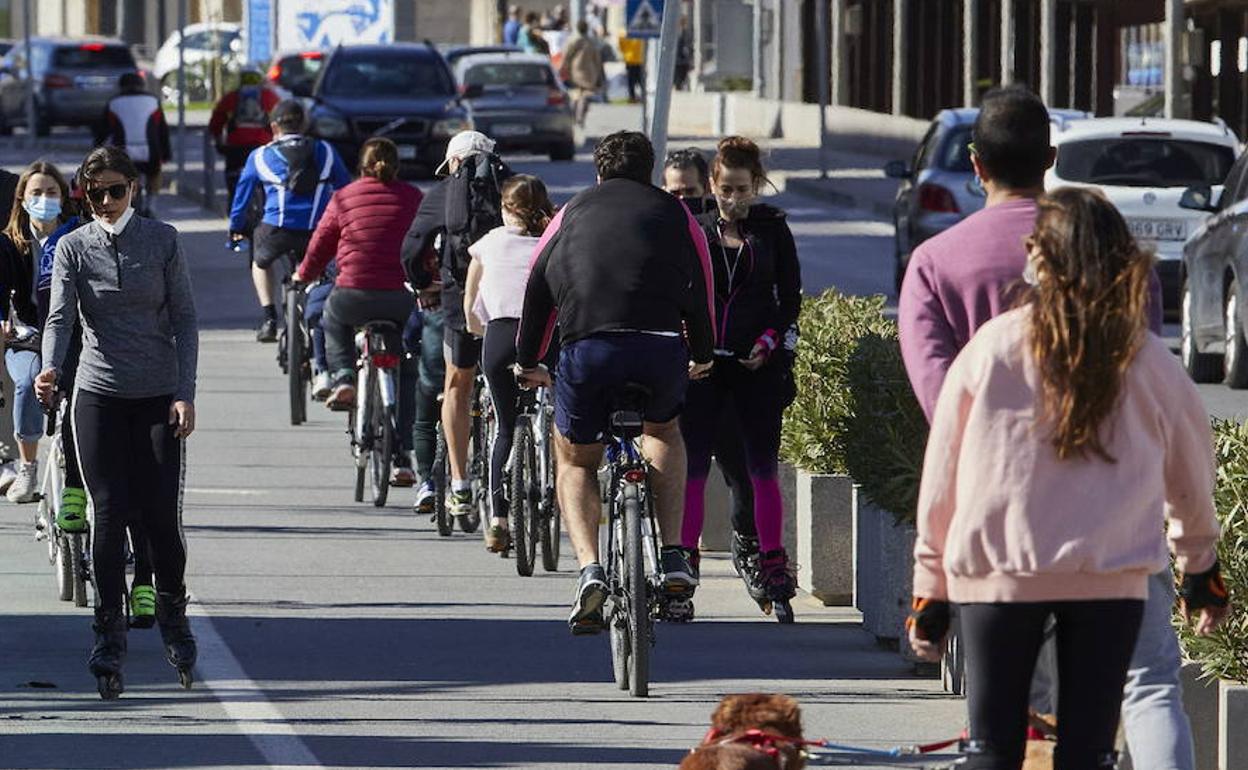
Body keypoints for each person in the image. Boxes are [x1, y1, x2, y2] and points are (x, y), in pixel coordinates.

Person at [897, 85, 1189, 770]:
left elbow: (941, 409)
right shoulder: (1117, 261)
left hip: (998, 526)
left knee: (1007, 723)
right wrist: (1195, 549)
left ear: (975, 165)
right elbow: (1145, 391)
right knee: (1146, 688)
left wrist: (931, 583)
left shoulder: (937, 263)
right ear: (1052, 159)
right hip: (1118, 519)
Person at [515, 131, 715, 633]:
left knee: (578, 458)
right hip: (659, 347)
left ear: (599, 172)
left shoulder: (571, 212)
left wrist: (527, 358)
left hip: (589, 349)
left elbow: (537, 286)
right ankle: (672, 555)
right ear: (649, 171)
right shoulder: (677, 214)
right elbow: (702, 284)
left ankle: (590, 569)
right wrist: (705, 350)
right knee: (663, 431)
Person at [36, 145, 199, 699]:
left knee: (158, 517)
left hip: (156, 395)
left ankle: (174, 614)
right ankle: (108, 631)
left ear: (134, 189)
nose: (105, 202)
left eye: (115, 191)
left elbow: (184, 321)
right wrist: (50, 369)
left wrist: (184, 393)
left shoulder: (162, 241)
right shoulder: (73, 246)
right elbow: (59, 317)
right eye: (95, 193)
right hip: (98, 393)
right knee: (107, 517)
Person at [679, 137, 801, 610]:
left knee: (761, 467)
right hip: (703, 365)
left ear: (757, 186)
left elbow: (788, 299)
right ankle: (683, 557)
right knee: (692, 465)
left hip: (755, 365)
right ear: (712, 184)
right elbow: (682, 291)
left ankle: (772, 561)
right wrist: (691, 343)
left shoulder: (772, 230)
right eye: (725, 189)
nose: (733, 199)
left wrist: (768, 343)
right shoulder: (696, 228)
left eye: (743, 189)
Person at [294, 138, 421, 481]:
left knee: (331, 318)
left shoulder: (344, 197)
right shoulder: (412, 197)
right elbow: (424, 243)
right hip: (398, 296)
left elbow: (321, 244)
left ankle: (344, 377)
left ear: (361, 167)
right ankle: (403, 455)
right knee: (407, 366)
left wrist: (303, 274)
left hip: (352, 294)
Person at [401, 130, 511, 527]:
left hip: (459, 301)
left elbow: (414, 247)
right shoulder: (512, 188)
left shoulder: (442, 193)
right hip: (509, 304)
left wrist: (420, 284)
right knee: (514, 384)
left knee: (456, 384)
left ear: (453, 163)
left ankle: (460, 482)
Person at [662, 148, 762, 578]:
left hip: (731, 367)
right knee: (687, 470)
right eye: (673, 192)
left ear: (708, 189)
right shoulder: (658, 230)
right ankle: (683, 563)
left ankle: (748, 546)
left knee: (740, 466)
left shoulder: (726, 234)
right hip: (681, 371)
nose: (682, 199)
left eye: (690, 191)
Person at [462, 174, 554, 553]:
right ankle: (552, 477)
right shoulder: (551, 243)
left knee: (503, 425)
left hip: (499, 338)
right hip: (547, 338)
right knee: (556, 417)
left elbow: (470, 310)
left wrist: (478, 331)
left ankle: (499, 518)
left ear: (505, 208)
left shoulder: (489, 243)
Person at [228, 99, 351, 343]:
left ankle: (270, 317)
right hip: (318, 230)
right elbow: (345, 190)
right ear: (304, 124)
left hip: (277, 229)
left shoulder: (260, 156)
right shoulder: (325, 151)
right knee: (327, 271)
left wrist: (235, 228)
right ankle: (322, 314)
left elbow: (241, 198)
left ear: (274, 126)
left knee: (260, 262)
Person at [97, 73, 171, 216]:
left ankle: (127, 206)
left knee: (123, 178)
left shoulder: (114, 103)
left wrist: (97, 152)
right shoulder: (153, 101)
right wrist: (166, 153)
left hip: (123, 154)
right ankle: (152, 204)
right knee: (155, 173)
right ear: (142, 85)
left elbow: (103, 131)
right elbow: (162, 130)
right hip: (151, 152)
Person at [207, 68, 282, 206]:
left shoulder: (231, 98)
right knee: (269, 179)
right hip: (263, 146)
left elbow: (215, 123)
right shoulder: (270, 97)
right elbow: (281, 119)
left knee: (232, 176)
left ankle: (233, 204)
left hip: (236, 146)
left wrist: (218, 141)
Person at [561, 20, 605, 127]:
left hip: (575, 72)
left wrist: (563, 69)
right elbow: (597, 59)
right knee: (585, 96)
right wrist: (599, 74)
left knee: (576, 94)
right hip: (589, 73)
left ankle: (574, 115)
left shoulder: (572, 41)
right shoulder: (591, 42)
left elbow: (566, 56)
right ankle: (580, 116)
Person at [619, 34, 645, 103]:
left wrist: (625, 53)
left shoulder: (624, 33)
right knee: (641, 79)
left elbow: (621, 45)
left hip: (629, 59)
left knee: (631, 80)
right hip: (639, 59)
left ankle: (632, 97)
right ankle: (643, 96)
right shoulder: (639, 32)